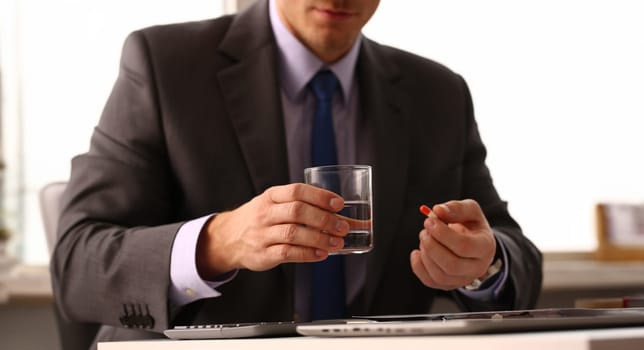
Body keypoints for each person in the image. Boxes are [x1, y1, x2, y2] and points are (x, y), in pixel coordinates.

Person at [50, 0, 542, 348]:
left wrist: (484, 264)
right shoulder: (164, 64)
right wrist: (219, 242)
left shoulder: (436, 92)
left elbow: (516, 257)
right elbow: (77, 265)